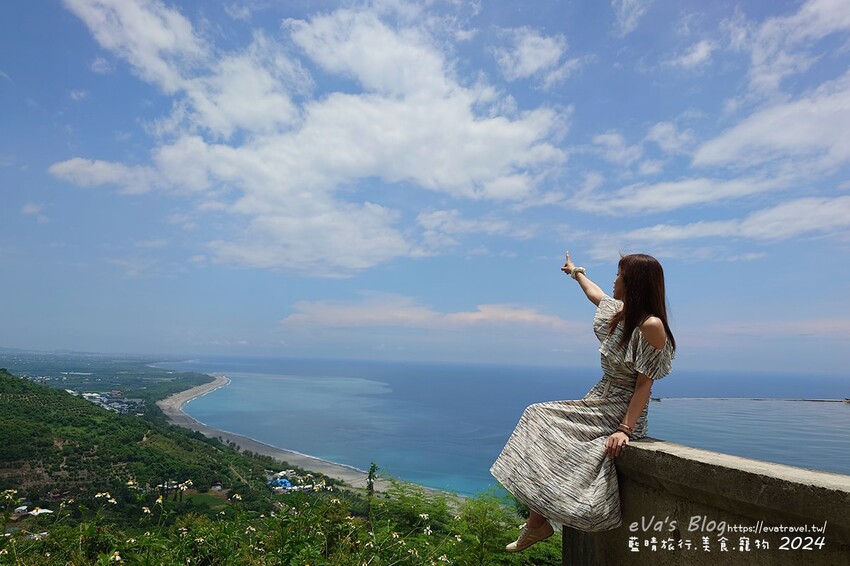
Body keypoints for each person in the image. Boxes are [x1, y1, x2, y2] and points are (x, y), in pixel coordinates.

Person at [490, 250, 676, 553]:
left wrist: (625, 429)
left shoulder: (650, 325)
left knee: (537, 415)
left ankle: (536, 525)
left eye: (620, 275)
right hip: (600, 398)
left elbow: (644, 384)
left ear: (634, 283)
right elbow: (596, 294)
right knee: (548, 436)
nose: (614, 280)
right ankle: (537, 523)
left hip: (620, 408)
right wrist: (576, 272)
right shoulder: (622, 313)